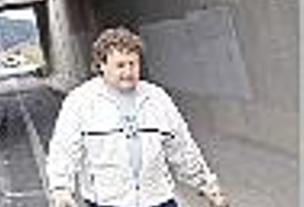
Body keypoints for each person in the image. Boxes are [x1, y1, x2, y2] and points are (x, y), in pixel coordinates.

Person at [46, 27, 229, 207]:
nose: (128, 72)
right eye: (120, 65)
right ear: (101, 65)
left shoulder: (157, 97)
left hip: (158, 200)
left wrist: (208, 186)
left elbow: (182, 147)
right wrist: (61, 190)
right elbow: (64, 150)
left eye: (133, 64)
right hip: (106, 202)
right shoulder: (80, 101)